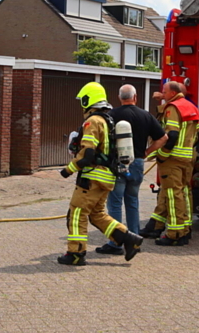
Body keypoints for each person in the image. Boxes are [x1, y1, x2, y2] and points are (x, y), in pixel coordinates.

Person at [57, 82, 144, 266]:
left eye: (83, 100)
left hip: (92, 178)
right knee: (97, 214)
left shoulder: (92, 121)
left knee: (77, 213)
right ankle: (129, 239)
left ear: (89, 99)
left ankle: (75, 254)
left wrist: (68, 170)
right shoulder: (107, 119)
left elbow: (87, 154)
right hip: (107, 177)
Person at [95, 85, 167, 256]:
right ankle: (134, 241)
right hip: (137, 163)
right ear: (135, 97)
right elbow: (163, 137)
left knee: (114, 202)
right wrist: (146, 152)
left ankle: (116, 243)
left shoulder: (111, 115)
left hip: (117, 164)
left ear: (119, 98)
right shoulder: (146, 115)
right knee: (132, 201)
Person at [141, 81, 199, 246]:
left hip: (172, 158)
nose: (162, 94)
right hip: (187, 157)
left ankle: (175, 233)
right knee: (184, 193)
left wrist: (161, 154)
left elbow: (171, 135)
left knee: (173, 195)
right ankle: (185, 228)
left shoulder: (173, 108)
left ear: (173, 93)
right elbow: (197, 135)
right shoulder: (191, 107)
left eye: (165, 91)